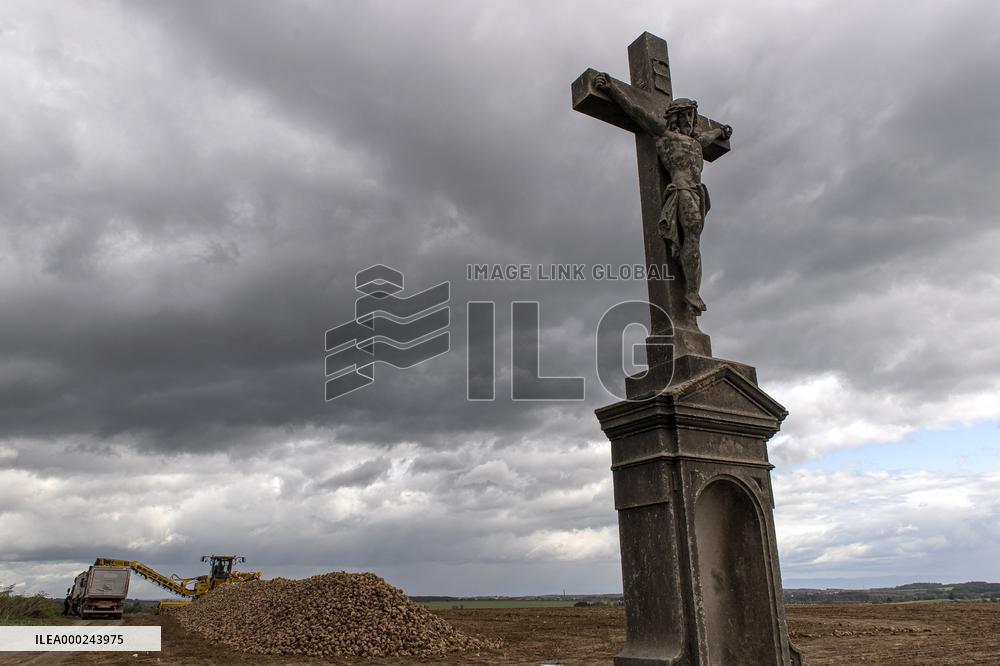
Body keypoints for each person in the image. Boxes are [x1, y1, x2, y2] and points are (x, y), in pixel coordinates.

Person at [594, 73, 732, 313]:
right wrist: (612, 89)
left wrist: (722, 132)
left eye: (693, 116)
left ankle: (692, 289)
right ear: (677, 116)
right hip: (681, 190)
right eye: (687, 115)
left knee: (694, 241)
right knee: (691, 237)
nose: (691, 120)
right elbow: (636, 111)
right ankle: (691, 292)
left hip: (698, 194)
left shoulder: (697, 141)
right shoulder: (665, 135)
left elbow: (713, 135)